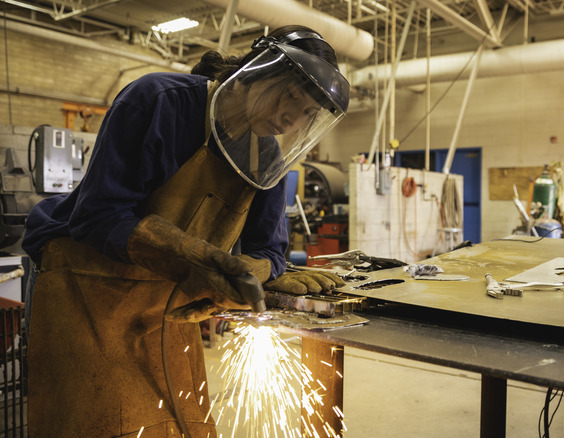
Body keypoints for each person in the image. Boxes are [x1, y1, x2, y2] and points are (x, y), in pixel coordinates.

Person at [22, 25, 349, 437]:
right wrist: (190, 253)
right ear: (255, 71)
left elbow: (270, 251)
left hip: (170, 302)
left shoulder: (265, 154)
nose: (292, 117)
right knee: (94, 425)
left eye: (307, 112)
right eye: (291, 95)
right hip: (86, 287)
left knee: (181, 425)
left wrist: (255, 272)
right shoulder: (158, 101)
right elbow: (97, 216)